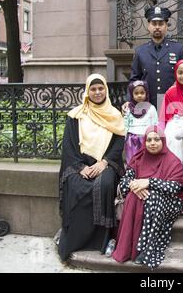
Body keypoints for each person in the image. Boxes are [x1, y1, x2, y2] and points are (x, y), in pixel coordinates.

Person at [58, 74, 125, 261]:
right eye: (93, 89)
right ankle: (76, 239)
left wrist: (104, 162)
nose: (97, 92)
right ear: (87, 91)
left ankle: (101, 240)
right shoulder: (76, 115)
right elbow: (69, 145)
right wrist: (80, 167)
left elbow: (119, 143)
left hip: (106, 163)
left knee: (105, 185)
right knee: (76, 185)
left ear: (106, 90)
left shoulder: (114, 115)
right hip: (80, 163)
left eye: (100, 88)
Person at [112, 126, 183, 269]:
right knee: (137, 196)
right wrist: (135, 185)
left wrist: (149, 183)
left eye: (157, 139)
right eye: (149, 140)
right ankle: (132, 248)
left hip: (170, 201)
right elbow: (125, 181)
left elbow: (175, 187)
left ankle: (147, 249)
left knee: (153, 198)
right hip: (143, 198)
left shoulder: (173, 160)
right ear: (144, 141)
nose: (152, 143)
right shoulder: (138, 158)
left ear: (163, 141)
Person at [127, 6, 183, 109]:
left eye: (161, 24)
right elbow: (134, 80)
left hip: (174, 105)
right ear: (149, 26)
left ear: (166, 26)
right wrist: (129, 101)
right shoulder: (140, 52)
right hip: (147, 105)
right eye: (154, 23)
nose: (157, 27)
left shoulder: (178, 49)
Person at [124, 80, 158, 165]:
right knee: (132, 160)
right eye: (136, 93)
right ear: (132, 94)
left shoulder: (151, 108)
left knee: (146, 161)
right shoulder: (128, 108)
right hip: (132, 140)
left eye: (142, 93)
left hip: (146, 139)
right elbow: (125, 124)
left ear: (146, 93)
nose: (139, 95)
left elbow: (155, 124)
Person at [158, 59, 183, 128]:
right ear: (175, 74)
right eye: (180, 73)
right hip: (173, 131)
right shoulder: (170, 93)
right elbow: (162, 118)